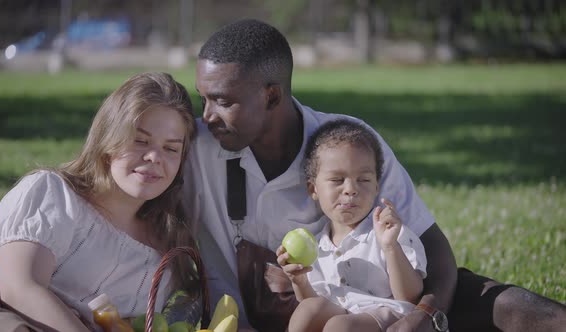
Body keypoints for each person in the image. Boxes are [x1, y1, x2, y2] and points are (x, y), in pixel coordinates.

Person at [183, 18, 566, 331]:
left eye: (223, 101)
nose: (208, 116)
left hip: (380, 310)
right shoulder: (194, 146)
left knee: (521, 311)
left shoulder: (348, 141)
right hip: (291, 320)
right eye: (204, 99)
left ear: (271, 96)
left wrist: (425, 316)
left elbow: (433, 247)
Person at [0, 72, 200, 331]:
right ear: (108, 139)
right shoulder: (55, 195)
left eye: (171, 148)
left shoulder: (165, 246)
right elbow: (18, 289)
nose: (154, 157)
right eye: (140, 141)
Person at [276, 119, 427, 331]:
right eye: (337, 180)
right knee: (308, 310)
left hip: (388, 316)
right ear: (313, 189)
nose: (350, 189)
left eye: (363, 180)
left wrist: (391, 247)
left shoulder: (390, 234)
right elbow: (313, 301)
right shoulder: (316, 246)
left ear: (376, 186)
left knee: (341, 326)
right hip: (340, 312)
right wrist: (299, 281)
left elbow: (410, 296)